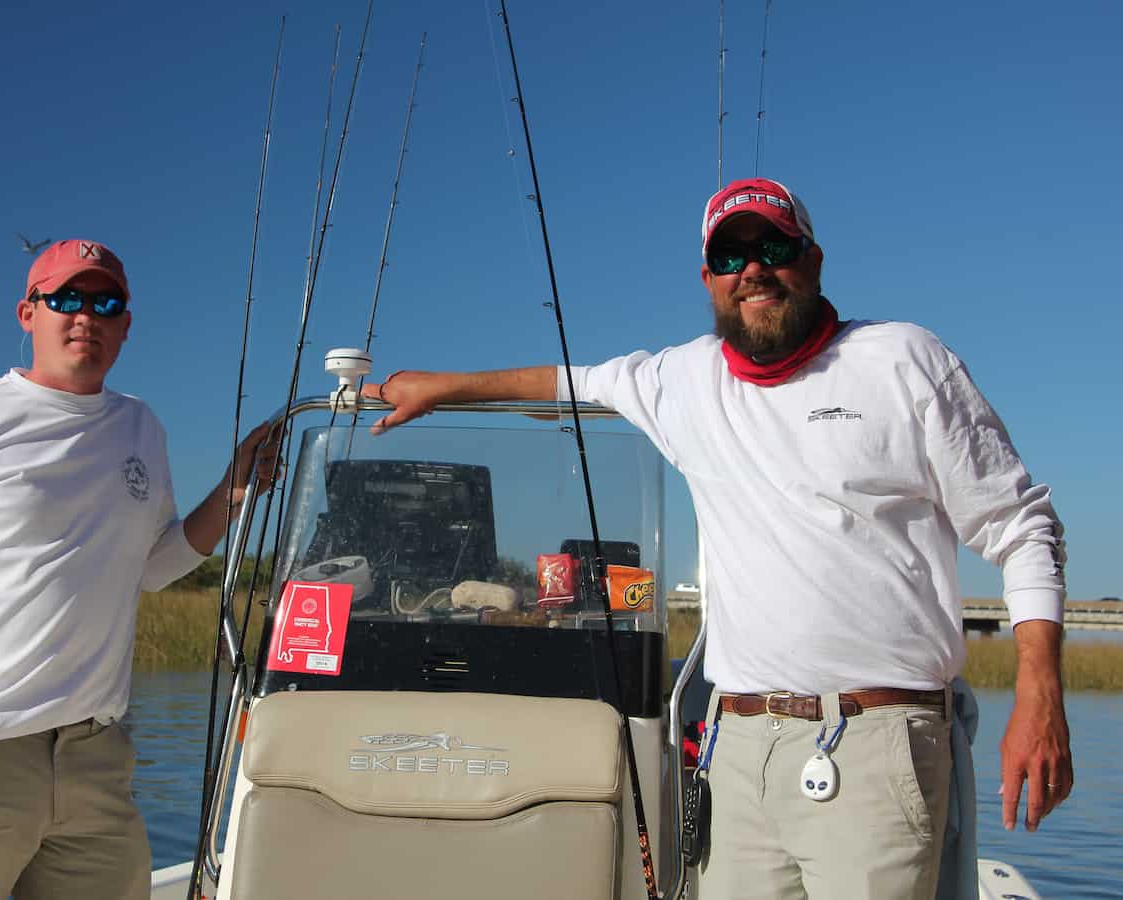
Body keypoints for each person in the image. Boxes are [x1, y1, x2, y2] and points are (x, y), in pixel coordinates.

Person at [360, 178, 1072, 900]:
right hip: (737, 753)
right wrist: (444, 387)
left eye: (772, 247)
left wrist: (1040, 699)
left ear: (813, 260)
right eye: (731, 256)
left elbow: (1022, 528)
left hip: (875, 746)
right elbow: (567, 384)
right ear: (709, 280)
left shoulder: (902, 360)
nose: (753, 268)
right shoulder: (685, 380)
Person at [0, 239, 278, 899]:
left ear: (125, 324)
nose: (84, 315)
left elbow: (155, 565)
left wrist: (233, 489)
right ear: (28, 313)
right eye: (65, 298)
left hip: (95, 760)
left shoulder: (141, 428)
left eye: (104, 301)